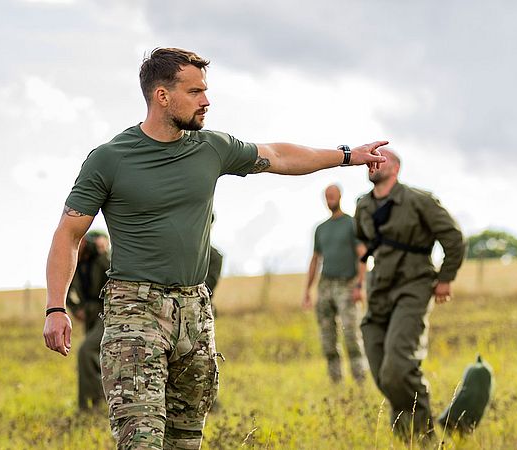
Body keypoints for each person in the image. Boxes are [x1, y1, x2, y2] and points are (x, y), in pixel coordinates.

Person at [42, 47, 387, 450]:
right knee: (141, 442)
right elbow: (68, 235)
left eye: (205, 91)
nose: (207, 101)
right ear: (162, 96)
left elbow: (279, 155)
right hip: (134, 313)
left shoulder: (211, 147)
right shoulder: (110, 159)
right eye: (195, 92)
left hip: (195, 311)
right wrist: (56, 306)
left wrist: (347, 156)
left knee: (186, 442)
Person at [355, 148, 466, 442]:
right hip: (379, 290)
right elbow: (364, 245)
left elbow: (453, 238)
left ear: (396, 168)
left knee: (399, 366)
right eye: (369, 161)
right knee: (381, 372)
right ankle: (407, 437)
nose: (372, 164)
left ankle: (426, 435)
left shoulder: (419, 201)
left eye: (380, 160)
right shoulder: (363, 206)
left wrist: (445, 279)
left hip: (413, 286)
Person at [302, 184, 369, 384]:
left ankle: (360, 379)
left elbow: (362, 255)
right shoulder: (321, 229)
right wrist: (307, 290)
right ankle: (336, 381)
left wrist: (359, 285)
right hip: (325, 286)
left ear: (340, 196)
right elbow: (315, 259)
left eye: (333, 195)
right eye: (327, 196)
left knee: (351, 335)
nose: (330, 199)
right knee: (327, 337)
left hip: (347, 284)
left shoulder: (351, 224)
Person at [66, 229, 111, 411]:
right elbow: (66, 288)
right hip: (89, 313)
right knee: (96, 358)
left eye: (84, 240)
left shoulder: (100, 260)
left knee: (86, 351)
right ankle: (92, 404)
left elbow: (113, 276)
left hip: (105, 312)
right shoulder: (74, 260)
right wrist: (76, 308)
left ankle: (94, 402)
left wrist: (103, 250)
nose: (80, 242)